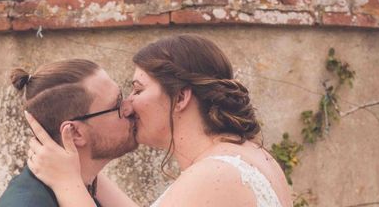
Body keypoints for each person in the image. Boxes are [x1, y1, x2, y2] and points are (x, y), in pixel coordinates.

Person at [26, 34, 293, 207]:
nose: (128, 105)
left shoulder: (215, 175)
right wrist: (85, 171)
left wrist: (66, 184)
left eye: (138, 90)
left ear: (180, 98)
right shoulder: (250, 156)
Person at [0, 59, 137, 206]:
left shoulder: (85, 189)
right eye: (117, 104)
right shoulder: (27, 203)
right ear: (75, 133)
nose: (130, 108)